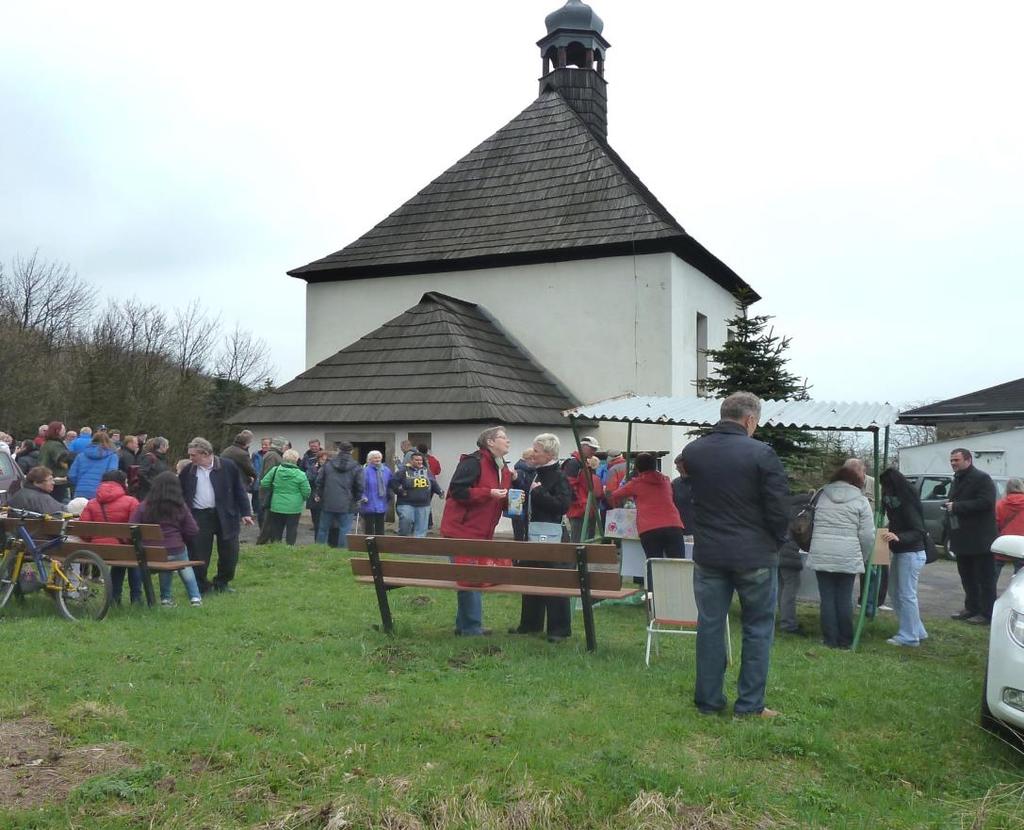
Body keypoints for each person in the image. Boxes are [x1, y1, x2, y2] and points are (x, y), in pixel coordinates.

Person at [680, 391, 790, 717]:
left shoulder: (693, 451)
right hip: (755, 554)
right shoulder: (762, 453)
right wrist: (776, 539)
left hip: (709, 553)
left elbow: (686, 497)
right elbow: (779, 507)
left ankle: (708, 702)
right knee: (757, 628)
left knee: (710, 626)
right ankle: (750, 705)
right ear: (750, 419)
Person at [440, 425, 512, 637]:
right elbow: (457, 491)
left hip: (481, 531)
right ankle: (471, 627)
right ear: (490, 442)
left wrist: (510, 501)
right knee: (470, 578)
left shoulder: (503, 467)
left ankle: (465, 625)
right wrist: (488, 493)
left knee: (470, 577)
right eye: (503, 438)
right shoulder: (473, 462)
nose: (508, 441)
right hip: (462, 530)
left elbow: (498, 498)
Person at [510, 432, 573, 642]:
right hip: (533, 532)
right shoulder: (537, 473)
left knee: (554, 582)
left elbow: (563, 505)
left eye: (536, 451)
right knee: (531, 578)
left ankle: (559, 629)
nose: (533, 454)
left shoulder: (559, 475)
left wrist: (538, 494)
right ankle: (530, 624)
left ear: (548, 453)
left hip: (552, 535)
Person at [808, 464, 875, 649]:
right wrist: (863, 555)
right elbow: (868, 535)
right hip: (848, 554)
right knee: (844, 598)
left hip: (821, 553)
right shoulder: (861, 500)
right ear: (857, 481)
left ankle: (829, 639)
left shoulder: (821, 495)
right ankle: (846, 640)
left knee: (827, 598)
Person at [178, 437, 254, 593]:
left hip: (226, 514)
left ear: (205, 453)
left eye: (193, 455)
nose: (190, 458)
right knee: (198, 552)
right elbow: (180, 494)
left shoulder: (228, 466)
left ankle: (222, 582)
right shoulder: (188, 471)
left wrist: (246, 513)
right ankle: (201, 586)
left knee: (229, 552)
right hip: (199, 516)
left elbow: (239, 490)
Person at [131, 471, 203, 607]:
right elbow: (193, 529)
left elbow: (132, 526)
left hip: (151, 551)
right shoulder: (180, 506)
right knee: (182, 561)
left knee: (165, 560)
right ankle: (195, 597)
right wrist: (181, 537)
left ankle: (166, 599)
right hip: (176, 549)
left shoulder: (144, 506)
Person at [946, 448, 999, 624]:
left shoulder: (981, 478)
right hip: (962, 538)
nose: (953, 463)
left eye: (957, 460)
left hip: (980, 539)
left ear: (968, 460)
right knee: (967, 576)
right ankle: (971, 608)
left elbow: (986, 502)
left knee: (984, 578)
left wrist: (957, 507)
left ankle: (987, 613)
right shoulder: (957, 479)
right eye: (952, 460)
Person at [879, 468, 929, 647]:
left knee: (906, 594)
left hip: (911, 552)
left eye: (885, 486)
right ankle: (917, 630)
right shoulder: (896, 504)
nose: (884, 491)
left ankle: (909, 636)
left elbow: (918, 531)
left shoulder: (906, 504)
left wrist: (898, 536)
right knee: (895, 592)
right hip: (903, 553)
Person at [607, 452, 686, 561]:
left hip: (649, 528)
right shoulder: (666, 481)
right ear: (655, 466)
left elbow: (614, 495)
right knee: (679, 565)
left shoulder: (636, 483)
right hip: (674, 525)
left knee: (654, 565)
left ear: (637, 468)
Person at [80, 469, 142, 605]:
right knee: (133, 554)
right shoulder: (131, 502)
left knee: (123, 555)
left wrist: (95, 539)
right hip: (123, 550)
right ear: (121, 483)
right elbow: (136, 530)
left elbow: (83, 531)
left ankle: (114, 598)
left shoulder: (92, 503)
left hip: (96, 550)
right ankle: (136, 599)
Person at [315, 443, 363, 546]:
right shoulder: (356, 466)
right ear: (351, 451)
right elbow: (360, 486)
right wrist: (356, 498)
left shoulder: (328, 464)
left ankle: (318, 552)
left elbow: (319, 481)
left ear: (338, 450)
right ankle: (341, 554)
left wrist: (321, 494)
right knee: (344, 530)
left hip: (328, 501)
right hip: (347, 503)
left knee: (323, 529)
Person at [260, 448, 311, 545]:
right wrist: (301, 499)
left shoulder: (275, 470)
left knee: (276, 530)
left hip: (276, 505)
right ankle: (290, 548)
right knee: (292, 529)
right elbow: (306, 491)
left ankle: (276, 547)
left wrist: (274, 489)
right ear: (296, 459)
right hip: (294, 507)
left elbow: (264, 483)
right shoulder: (301, 474)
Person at [777, 491, 810, 635]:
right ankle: (788, 624)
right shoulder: (801, 510)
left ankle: (784, 619)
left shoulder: (783, 506)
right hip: (789, 552)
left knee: (781, 586)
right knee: (791, 587)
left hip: (777, 550)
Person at [390, 452, 443, 538]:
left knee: (421, 530)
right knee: (407, 520)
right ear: (411, 460)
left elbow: (433, 482)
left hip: (424, 504)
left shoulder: (426, 471)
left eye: (420, 460)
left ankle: (418, 548)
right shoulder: (403, 470)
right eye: (417, 460)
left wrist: (440, 492)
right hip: (406, 503)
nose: (419, 462)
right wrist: (400, 491)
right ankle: (402, 541)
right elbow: (393, 482)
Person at [563, 436, 604, 542]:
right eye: (592, 448)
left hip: (584, 507)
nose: (594, 451)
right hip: (578, 508)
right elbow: (569, 485)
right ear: (583, 446)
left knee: (582, 539)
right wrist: (580, 502)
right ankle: (575, 558)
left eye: (595, 449)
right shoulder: (574, 463)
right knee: (577, 541)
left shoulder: (582, 463)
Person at [68, 430, 120, 500]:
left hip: (80, 491)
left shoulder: (81, 456)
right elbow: (112, 476)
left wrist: (81, 483)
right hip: (101, 493)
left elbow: (72, 475)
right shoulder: (112, 456)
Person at [995, 477, 1024, 581]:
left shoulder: (1000, 504)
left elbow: (995, 524)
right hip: (1021, 544)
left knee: (995, 568)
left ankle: (988, 594)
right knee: (1020, 574)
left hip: (1003, 541)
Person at [358, 450, 392, 536]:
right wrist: (363, 496)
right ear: (369, 460)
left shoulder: (386, 470)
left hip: (382, 502)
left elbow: (391, 483)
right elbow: (361, 485)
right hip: (369, 502)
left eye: (379, 457)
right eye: (375, 458)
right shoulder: (365, 471)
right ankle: (369, 545)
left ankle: (380, 545)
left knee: (380, 527)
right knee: (369, 528)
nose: (377, 459)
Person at [38, 422, 71, 502]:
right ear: (57, 431)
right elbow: (62, 460)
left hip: (46, 476)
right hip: (57, 480)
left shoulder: (46, 443)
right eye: (63, 429)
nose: (65, 431)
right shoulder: (56, 445)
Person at [510, 448, 537, 542]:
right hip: (520, 508)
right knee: (520, 535)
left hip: (526, 507)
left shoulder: (532, 471)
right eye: (534, 458)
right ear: (529, 459)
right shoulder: (520, 472)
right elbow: (520, 486)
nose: (536, 461)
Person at [671, 452, 696, 531]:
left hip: (698, 527)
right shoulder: (675, 483)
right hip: (681, 526)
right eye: (677, 467)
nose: (677, 469)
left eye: (679, 466)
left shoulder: (700, 481)